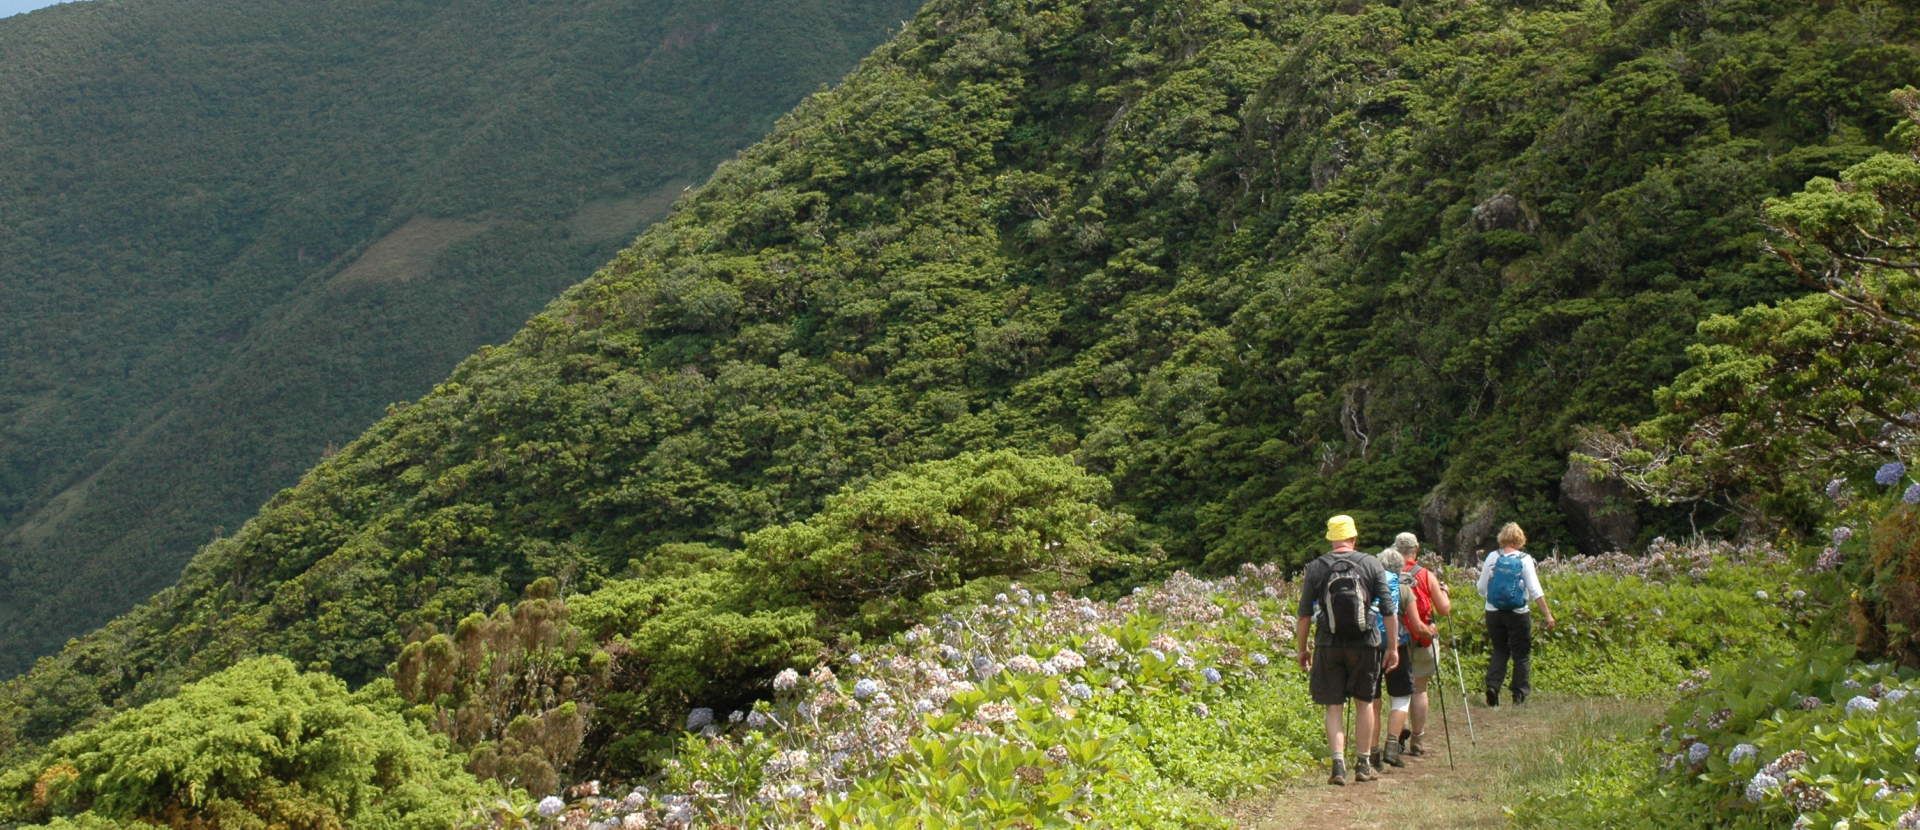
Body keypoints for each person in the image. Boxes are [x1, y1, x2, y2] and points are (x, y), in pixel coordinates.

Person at [1297, 515, 1399, 785]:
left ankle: (1338, 765)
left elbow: (1304, 613)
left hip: (1328, 645)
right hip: (1366, 643)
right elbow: (1389, 610)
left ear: (1331, 539)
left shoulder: (1316, 568)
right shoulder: (1371, 563)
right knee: (1364, 703)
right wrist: (1394, 648)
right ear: (1354, 537)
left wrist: (1302, 649)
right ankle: (1363, 763)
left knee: (1334, 705)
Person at [1475, 522, 1556, 706]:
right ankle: (1519, 695)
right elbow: (1535, 590)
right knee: (1521, 654)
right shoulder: (1524, 559)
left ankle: (1493, 687)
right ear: (1521, 539)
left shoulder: (1492, 557)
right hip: (1518, 613)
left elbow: (1480, 586)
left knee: (1500, 650)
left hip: (1493, 612)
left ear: (1502, 538)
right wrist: (1548, 615)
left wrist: (1491, 598)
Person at [1392, 532, 1450, 756]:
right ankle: (1417, 739)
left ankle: (1397, 733)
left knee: (1399, 691)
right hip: (1423, 638)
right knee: (1419, 689)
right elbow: (1443, 609)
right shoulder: (1425, 575)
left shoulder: (1390, 575)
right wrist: (1445, 592)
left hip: (1396, 639)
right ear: (1416, 550)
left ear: (1396, 551)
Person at [1372, 546, 1412, 769]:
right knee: (1401, 697)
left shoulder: (1369, 584)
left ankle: (1372, 754)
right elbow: (1415, 623)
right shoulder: (1404, 589)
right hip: (1399, 648)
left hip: (1372, 647)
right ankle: (1392, 746)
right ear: (1401, 567)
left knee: (1373, 701)